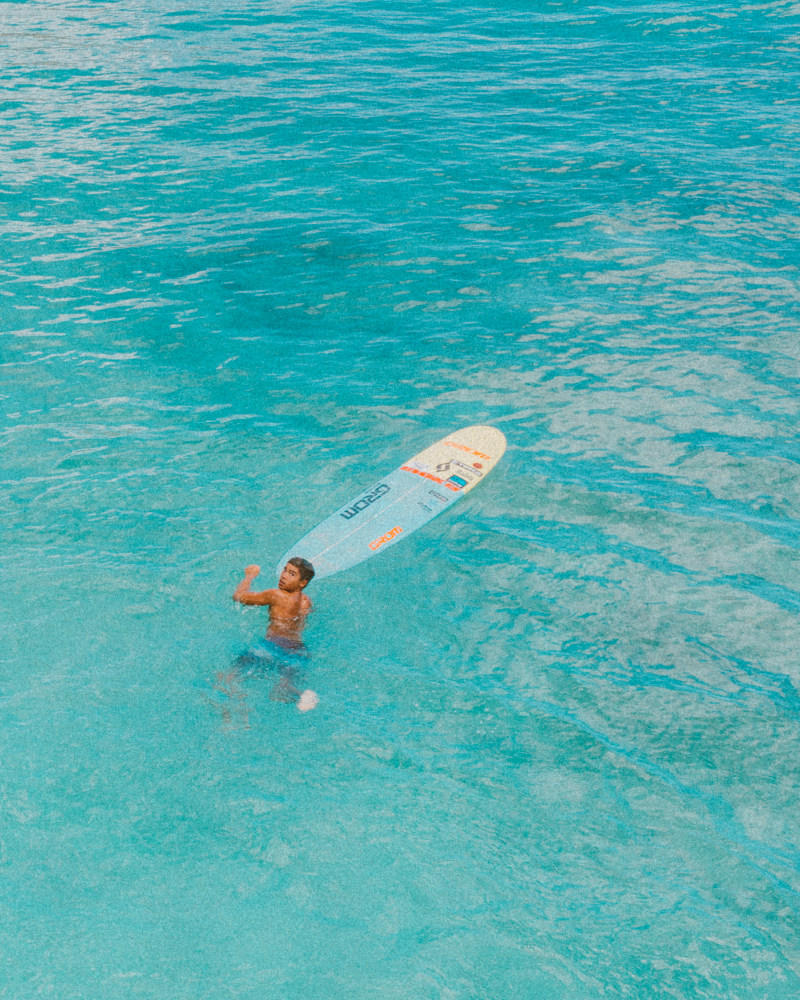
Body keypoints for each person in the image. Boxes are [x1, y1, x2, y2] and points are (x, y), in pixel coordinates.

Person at [229, 558, 318, 712]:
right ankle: (302, 695)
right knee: (281, 690)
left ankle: (240, 710)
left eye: (291, 574)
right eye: (285, 570)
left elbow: (238, 596)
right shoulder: (306, 601)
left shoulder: (276, 595)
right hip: (298, 650)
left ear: (302, 583)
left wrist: (250, 575)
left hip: (273, 645)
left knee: (228, 677)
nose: (283, 576)